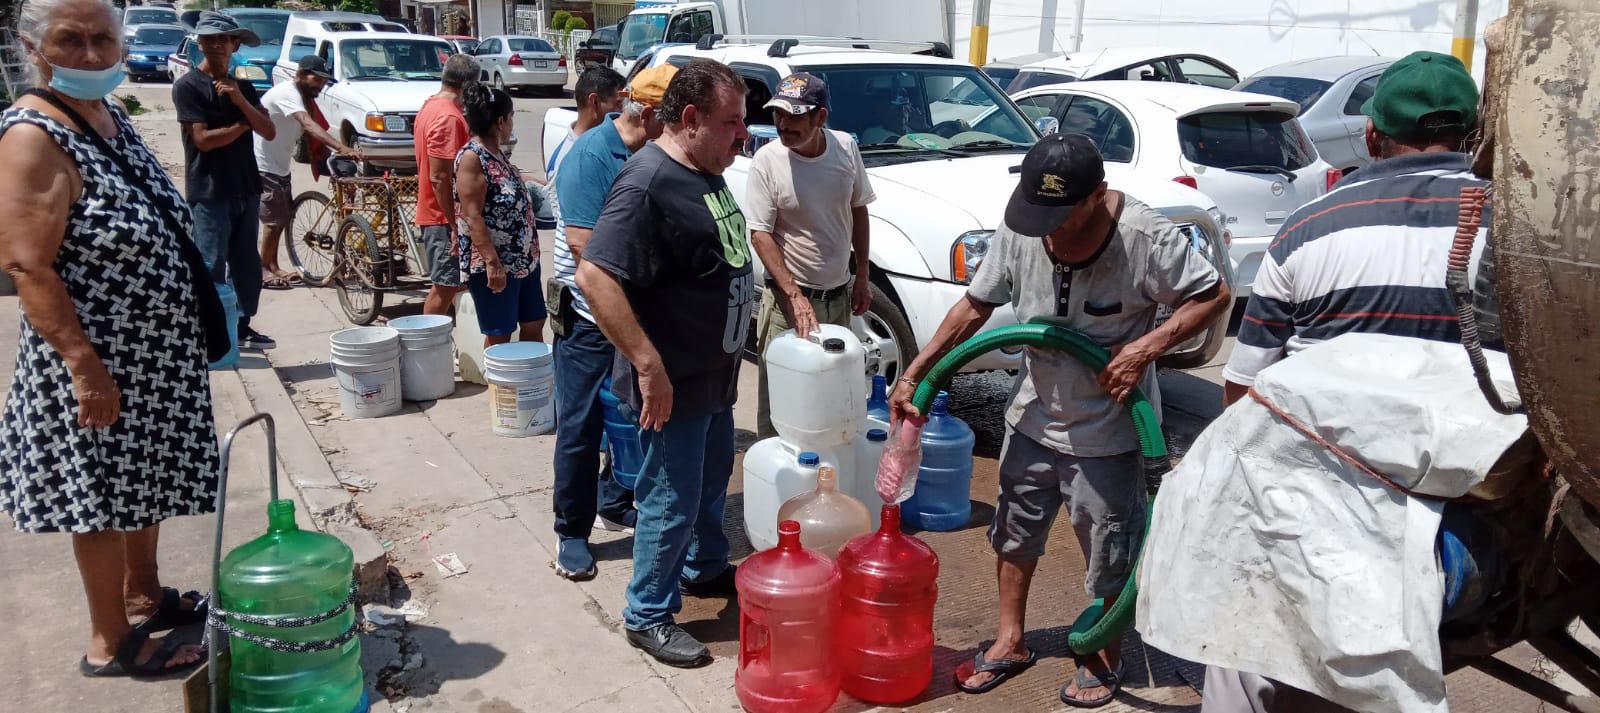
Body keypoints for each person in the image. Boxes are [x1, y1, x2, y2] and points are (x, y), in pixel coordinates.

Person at [888, 133, 1231, 707]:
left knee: (1110, 547)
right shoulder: (1024, 227)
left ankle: (1103, 651)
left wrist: (1145, 348)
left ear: (1097, 195)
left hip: (1110, 430)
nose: (1045, 230)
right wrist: (918, 372)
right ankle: (1010, 641)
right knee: (1013, 533)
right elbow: (976, 304)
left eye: (1059, 216)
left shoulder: (1144, 238)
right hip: (1033, 414)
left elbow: (1214, 294)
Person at [1206, 50, 1483, 713]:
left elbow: (1242, 397)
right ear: (1473, 133)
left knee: (1236, 648)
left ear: (1371, 133)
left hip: (1326, 513)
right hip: (1469, 516)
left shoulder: (1308, 228)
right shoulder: (1518, 234)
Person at [0, 0, 220, 677]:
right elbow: (27, 264)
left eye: (104, 38)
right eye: (71, 39)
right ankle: (109, 640)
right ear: (33, 47)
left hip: (150, 359)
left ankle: (143, 593)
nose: (93, 54)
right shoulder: (33, 135)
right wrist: (82, 364)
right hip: (97, 359)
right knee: (97, 498)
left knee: (141, 484)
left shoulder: (108, 115)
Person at [576, 59, 753, 668]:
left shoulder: (705, 169)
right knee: (670, 498)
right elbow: (595, 276)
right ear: (690, 118)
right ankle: (647, 612)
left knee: (710, 480)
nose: (743, 135)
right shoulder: (648, 182)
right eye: (732, 122)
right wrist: (648, 365)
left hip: (713, 376)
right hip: (672, 383)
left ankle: (704, 566)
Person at [547, 64, 675, 581]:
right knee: (580, 429)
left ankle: (614, 498)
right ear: (647, 113)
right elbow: (585, 245)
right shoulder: (591, 156)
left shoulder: (652, 151)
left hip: (635, 317)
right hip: (588, 320)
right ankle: (571, 533)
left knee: (631, 418)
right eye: (673, 118)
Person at [747, 72, 875, 439]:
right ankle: (776, 473)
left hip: (838, 300)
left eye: (794, 116)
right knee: (780, 411)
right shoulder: (767, 161)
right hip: (788, 305)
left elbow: (859, 209)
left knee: (829, 404)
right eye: (778, 114)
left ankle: (824, 472)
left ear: (820, 117)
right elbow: (760, 235)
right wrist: (794, 295)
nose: (783, 124)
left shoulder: (845, 148)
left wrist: (862, 275)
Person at [173, 11, 277, 349]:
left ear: (235, 45)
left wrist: (239, 100)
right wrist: (245, 123)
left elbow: (269, 131)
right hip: (209, 191)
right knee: (211, 265)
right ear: (200, 43)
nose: (215, 45)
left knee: (246, 265)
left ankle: (241, 327)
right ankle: (211, 335)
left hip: (245, 187)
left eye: (223, 40)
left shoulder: (242, 87)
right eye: (209, 39)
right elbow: (203, 140)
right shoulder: (188, 86)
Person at [253, 55, 361, 288]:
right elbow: (309, 124)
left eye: (324, 81)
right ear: (301, 74)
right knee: (272, 221)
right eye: (317, 79)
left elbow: (315, 126)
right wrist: (341, 147)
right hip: (264, 164)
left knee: (282, 217)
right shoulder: (288, 93)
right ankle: (263, 269)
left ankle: (274, 266)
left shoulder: (304, 97)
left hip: (279, 164)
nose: (320, 85)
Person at [454, 83, 544, 347]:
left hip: (523, 260)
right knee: (499, 333)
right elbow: (472, 216)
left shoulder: (496, 153)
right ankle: (497, 376)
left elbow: (507, 184)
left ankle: (528, 372)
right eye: (512, 117)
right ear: (501, 122)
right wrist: (492, 263)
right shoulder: (472, 158)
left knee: (534, 321)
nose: (513, 124)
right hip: (496, 264)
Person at [414, 53, 480, 317]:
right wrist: (454, 224)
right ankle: (427, 337)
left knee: (455, 284)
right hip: (441, 216)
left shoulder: (431, 105)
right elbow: (440, 177)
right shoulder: (449, 117)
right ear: (467, 85)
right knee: (444, 287)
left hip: (440, 214)